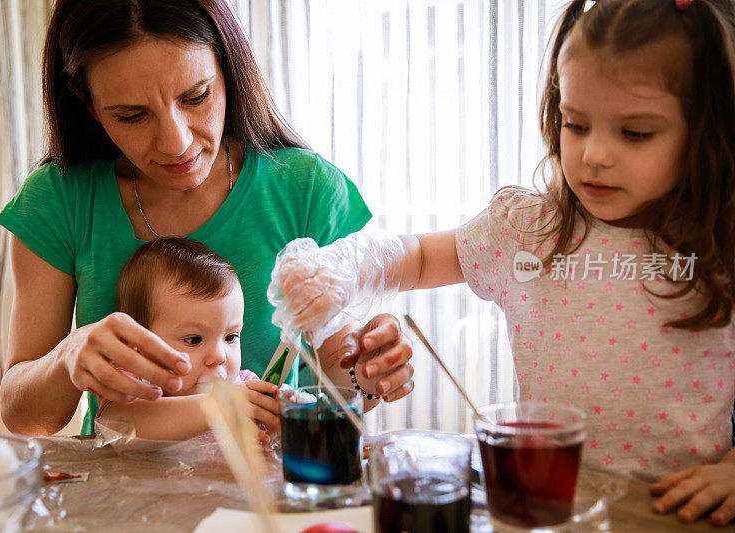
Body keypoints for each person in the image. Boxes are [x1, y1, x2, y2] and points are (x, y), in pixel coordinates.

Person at [270, 0, 735, 526]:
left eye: (635, 133)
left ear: (707, 130)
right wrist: (340, 269)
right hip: (543, 505)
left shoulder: (722, 243)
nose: (593, 154)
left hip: (675, 513)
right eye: (576, 124)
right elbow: (418, 258)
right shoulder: (530, 229)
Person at [0, 0, 414, 438]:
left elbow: (336, 377)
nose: (177, 144)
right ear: (87, 103)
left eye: (196, 97)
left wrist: (367, 371)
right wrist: (68, 358)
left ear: (228, 71)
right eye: (132, 115)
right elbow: (27, 417)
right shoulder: (58, 198)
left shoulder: (306, 189)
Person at [95, 237, 380, 442]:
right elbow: (118, 426)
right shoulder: (133, 383)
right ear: (137, 345)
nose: (219, 356)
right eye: (194, 340)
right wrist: (219, 407)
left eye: (231, 336)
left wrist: (279, 424)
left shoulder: (243, 385)